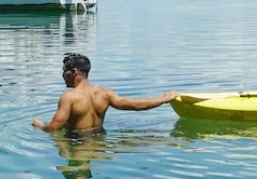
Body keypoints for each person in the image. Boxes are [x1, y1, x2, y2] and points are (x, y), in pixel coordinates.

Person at [32, 53, 178, 137]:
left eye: (65, 71)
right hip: (100, 142)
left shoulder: (69, 97)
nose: (63, 75)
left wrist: (39, 126)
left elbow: (53, 129)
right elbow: (135, 105)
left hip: (77, 145)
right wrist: (164, 98)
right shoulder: (104, 93)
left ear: (75, 72)